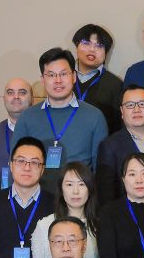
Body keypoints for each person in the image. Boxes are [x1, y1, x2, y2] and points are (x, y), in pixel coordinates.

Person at [15, 48, 108, 179]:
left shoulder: (94, 117)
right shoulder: (27, 117)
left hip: (78, 191)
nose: (58, 80)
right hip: (38, 191)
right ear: (42, 80)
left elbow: (101, 171)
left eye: (63, 74)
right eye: (51, 75)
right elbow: (16, 165)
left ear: (74, 76)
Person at [94, 85, 144, 208]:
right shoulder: (109, 146)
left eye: (142, 104)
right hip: (125, 215)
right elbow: (106, 195)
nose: (136, 109)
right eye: (130, 105)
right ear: (122, 111)